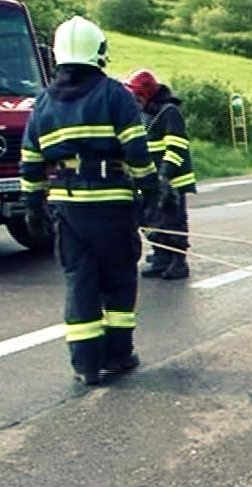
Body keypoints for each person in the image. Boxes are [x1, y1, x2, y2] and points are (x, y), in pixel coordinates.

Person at [19, 16, 158, 385]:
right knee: (119, 277)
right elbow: (136, 150)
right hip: (111, 203)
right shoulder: (114, 94)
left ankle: (85, 365)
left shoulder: (43, 102)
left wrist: (32, 204)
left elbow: (31, 159)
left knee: (79, 280)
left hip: (67, 206)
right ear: (98, 51)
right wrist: (151, 190)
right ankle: (118, 354)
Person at [123, 69, 196, 280]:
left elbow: (177, 147)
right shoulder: (146, 113)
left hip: (172, 180)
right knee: (152, 220)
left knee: (173, 221)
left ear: (145, 93)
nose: (135, 100)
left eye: (136, 95)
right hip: (152, 180)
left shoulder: (169, 111)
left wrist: (165, 177)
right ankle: (161, 257)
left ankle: (179, 262)